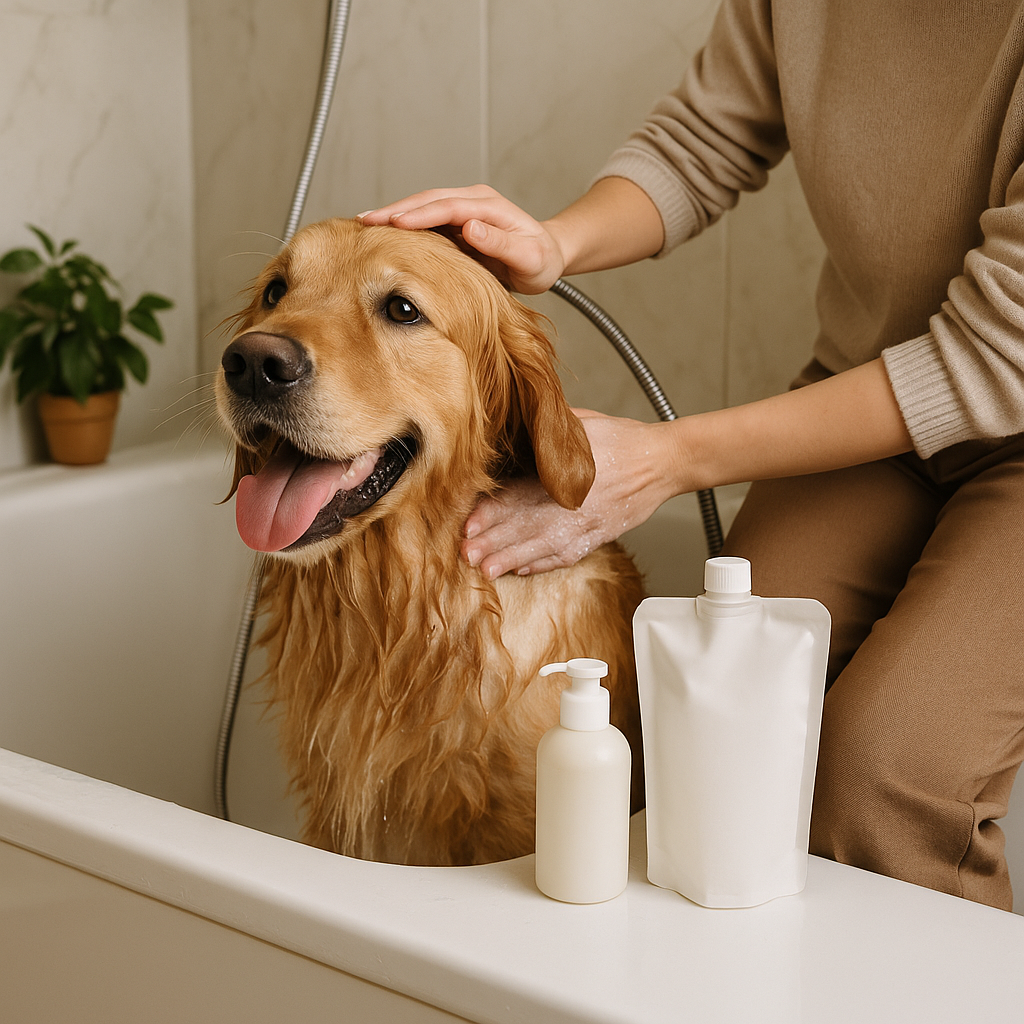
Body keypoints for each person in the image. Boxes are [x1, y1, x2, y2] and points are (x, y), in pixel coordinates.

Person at [358, 0, 1024, 911]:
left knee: (884, 775)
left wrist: (667, 458)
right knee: (717, 713)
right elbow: (705, 140)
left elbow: (992, 359)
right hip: (876, 411)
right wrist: (558, 243)